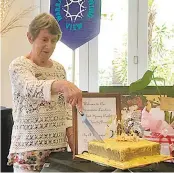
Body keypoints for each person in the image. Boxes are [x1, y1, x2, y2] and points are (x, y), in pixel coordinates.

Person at [7, 12, 82, 172]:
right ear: (30, 37)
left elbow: (67, 109)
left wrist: (72, 138)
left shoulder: (60, 69)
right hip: (28, 151)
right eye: (44, 39)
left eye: (54, 40)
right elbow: (30, 87)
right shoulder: (19, 66)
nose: (49, 46)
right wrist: (60, 85)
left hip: (58, 151)